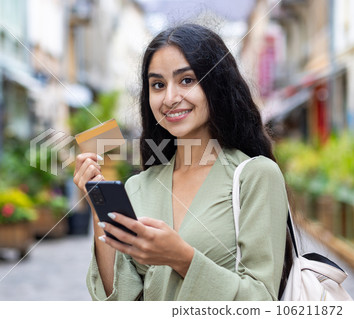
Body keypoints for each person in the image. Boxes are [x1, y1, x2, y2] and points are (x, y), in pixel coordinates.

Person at [73, 23, 292, 301]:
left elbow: (261, 300)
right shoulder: (139, 186)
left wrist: (182, 258)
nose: (170, 98)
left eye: (187, 80)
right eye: (158, 85)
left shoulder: (256, 176)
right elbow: (119, 301)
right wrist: (99, 208)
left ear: (216, 85)